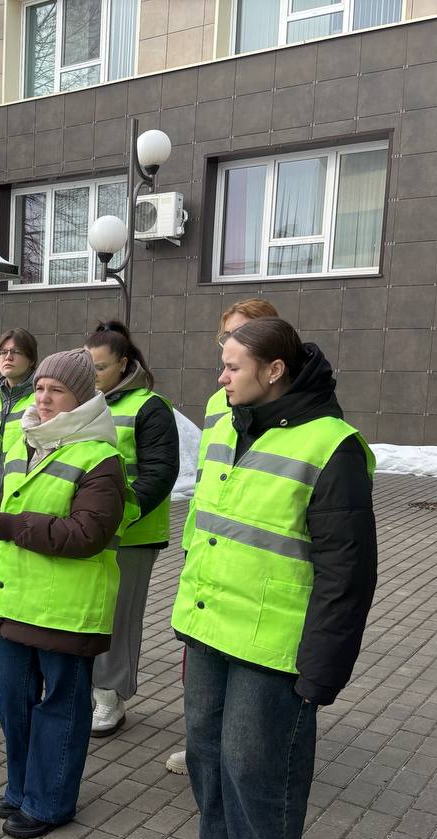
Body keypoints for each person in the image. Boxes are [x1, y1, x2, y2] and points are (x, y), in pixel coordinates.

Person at [173, 318, 376, 839]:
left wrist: (324, 665)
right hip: (210, 622)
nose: (221, 377)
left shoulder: (331, 445)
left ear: (274, 370)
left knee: (256, 766)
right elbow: (208, 524)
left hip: (273, 639)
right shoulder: (228, 426)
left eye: (233, 366)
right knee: (206, 754)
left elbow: (347, 571)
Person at [0, 350, 134, 839]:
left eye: (56, 390)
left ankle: (50, 802)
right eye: (40, 387)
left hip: (66, 609)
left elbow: (88, 534)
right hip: (13, 600)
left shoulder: (101, 457)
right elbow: (19, 498)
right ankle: (21, 788)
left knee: (60, 708)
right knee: (12, 702)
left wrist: (10, 523)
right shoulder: (25, 440)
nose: (42, 398)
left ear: (80, 397)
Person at [167, 297, 280, 775]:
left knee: (244, 679)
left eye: (243, 334)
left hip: (253, 561)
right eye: (226, 336)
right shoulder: (219, 401)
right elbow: (209, 478)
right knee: (199, 666)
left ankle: (239, 753)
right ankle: (202, 747)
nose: (230, 346)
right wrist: (193, 540)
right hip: (205, 547)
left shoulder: (292, 406)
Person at [86, 322, 179, 737]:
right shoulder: (84, 403)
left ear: (124, 364)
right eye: (87, 366)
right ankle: (88, 690)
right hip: (88, 532)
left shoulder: (150, 406)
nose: (92, 375)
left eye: (100, 367)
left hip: (133, 534)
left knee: (119, 616)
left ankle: (110, 696)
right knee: (88, 612)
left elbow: (160, 473)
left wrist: (117, 515)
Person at [0, 327, 39, 672]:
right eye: (3, 352)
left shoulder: (39, 400)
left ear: (31, 359)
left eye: (15, 352)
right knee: (0, 570)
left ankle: (24, 642)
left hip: (22, 502)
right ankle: (3, 640)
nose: (8, 357)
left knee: (23, 574)